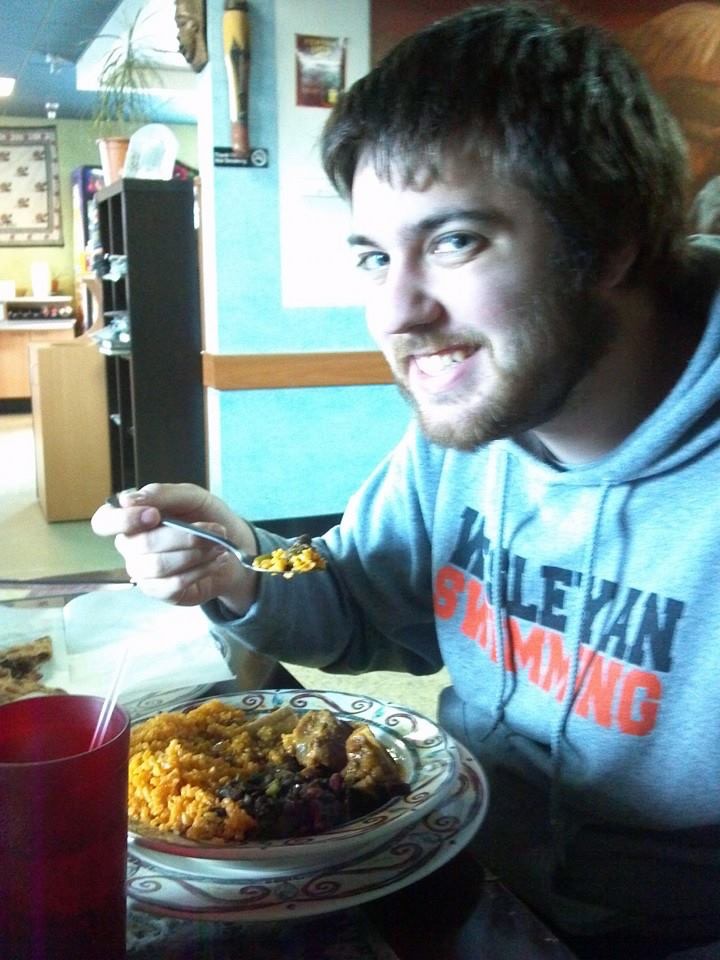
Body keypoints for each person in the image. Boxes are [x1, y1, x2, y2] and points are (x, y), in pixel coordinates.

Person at [92, 3, 720, 957]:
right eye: (375, 256)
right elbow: (356, 597)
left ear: (611, 239)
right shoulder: (468, 430)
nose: (395, 313)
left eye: (455, 240)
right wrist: (240, 565)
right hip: (457, 884)